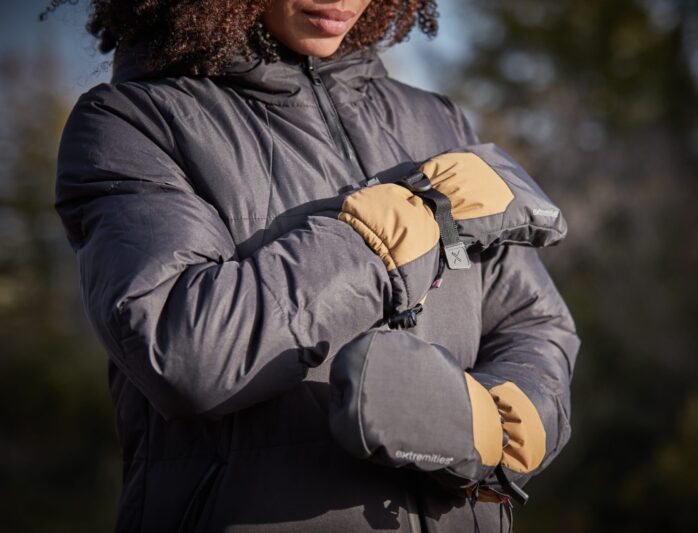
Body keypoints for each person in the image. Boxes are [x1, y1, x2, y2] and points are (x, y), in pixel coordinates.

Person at [52, 1, 580, 531]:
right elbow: (183, 350)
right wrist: (387, 234)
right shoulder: (131, 122)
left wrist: (511, 417)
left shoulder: (436, 119)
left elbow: (534, 321)